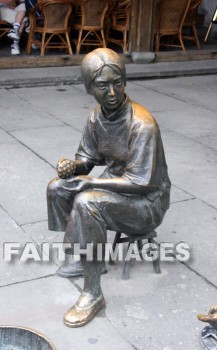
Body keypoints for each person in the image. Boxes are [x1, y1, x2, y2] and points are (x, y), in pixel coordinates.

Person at [47, 48, 171, 328]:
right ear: (90, 88)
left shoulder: (142, 124)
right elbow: (88, 159)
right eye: (103, 86)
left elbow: (142, 183)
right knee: (57, 188)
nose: (112, 92)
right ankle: (83, 256)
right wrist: (73, 167)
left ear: (124, 81)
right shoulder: (96, 117)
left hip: (146, 204)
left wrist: (89, 181)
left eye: (117, 82)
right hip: (116, 191)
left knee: (87, 201)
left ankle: (92, 293)